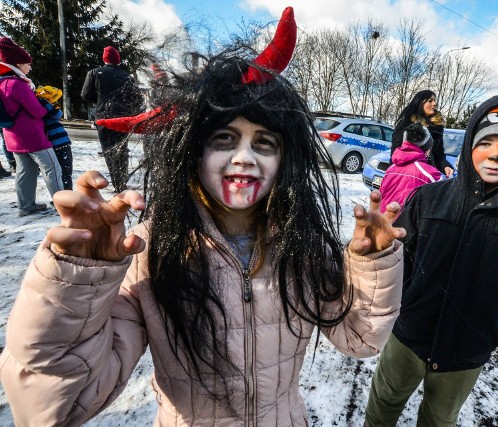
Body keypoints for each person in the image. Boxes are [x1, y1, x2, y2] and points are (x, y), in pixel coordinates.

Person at [0, 7, 407, 426]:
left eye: (265, 142)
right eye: (224, 138)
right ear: (192, 152)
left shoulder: (301, 245)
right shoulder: (148, 251)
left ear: (286, 159)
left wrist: (372, 265)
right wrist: (77, 280)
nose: (245, 158)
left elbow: (359, 338)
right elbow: (54, 406)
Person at [364, 95, 498, 426]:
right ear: (470, 145)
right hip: (408, 336)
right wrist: (395, 294)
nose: (497, 153)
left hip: (466, 353)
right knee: (383, 404)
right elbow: (399, 257)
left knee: (440, 420)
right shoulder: (429, 197)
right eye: (487, 142)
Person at [0, 37, 63, 216]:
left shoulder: (2, 83)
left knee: (24, 172)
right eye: (28, 64)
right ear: (18, 64)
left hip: (13, 138)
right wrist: (46, 103)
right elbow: (37, 111)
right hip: (33, 137)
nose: (30, 67)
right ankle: (64, 206)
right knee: (52, 168)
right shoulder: (17, 85)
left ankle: (25, 206)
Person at [81, 45, 144, 192]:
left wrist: (100, 101)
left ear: (105, 59)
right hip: (124, 118)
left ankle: (117, 184)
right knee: (122, 149)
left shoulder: (95, 73)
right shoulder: (126, 76)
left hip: (104, 117)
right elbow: (137, 98)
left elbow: (85, 94)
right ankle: (122, 180)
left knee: (109, 150)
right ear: (118, 60)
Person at [379, 122, 442, 213]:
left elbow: (381, 195)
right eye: (430, 147)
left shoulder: (391, 169)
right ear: (427, 148)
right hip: (405, 225)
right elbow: (440, 205)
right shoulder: (431, 174)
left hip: (383, 221)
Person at [391, 90, 454, 178]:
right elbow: (396, 153)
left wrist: (445, 166)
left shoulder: (437, 127)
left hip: (428, 175)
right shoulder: (406, 123)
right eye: (430, 100)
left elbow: (439, 154)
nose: (434, 104)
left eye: (434, 101)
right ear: (420, 103)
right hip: (408, 175)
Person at [35, 85, 74, 190]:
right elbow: (57, 114)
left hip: (55, 143)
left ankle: (64, 196)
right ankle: (66, 195)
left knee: (59, 172)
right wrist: (46, 101)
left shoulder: (38, 105)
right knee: (65, 172)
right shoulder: (42, 104)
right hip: (59, 142)